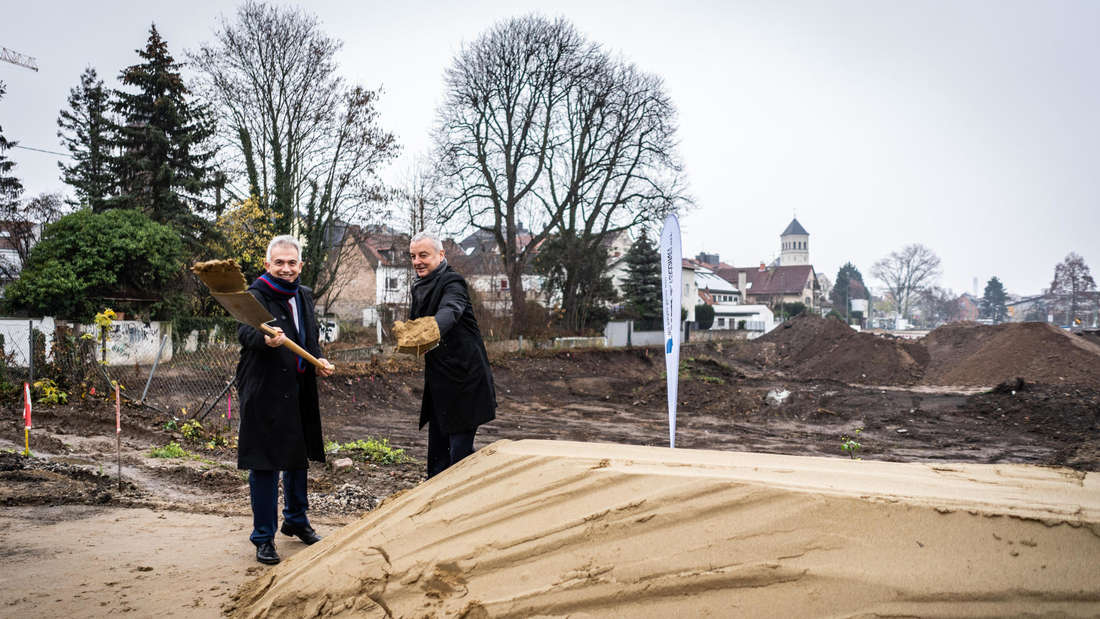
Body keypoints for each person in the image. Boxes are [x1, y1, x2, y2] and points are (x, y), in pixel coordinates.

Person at [236, 234, 334, 565]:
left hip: (298, 386)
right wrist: (266, 338)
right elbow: (245, 333)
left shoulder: (303, 295)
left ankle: (296, 520)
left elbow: (309, 334)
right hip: (263, 388)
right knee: (265, 464)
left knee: (296, 458)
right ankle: (263, 537)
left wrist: (317, 360)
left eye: (292, 262)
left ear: (300, 265)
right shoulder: (255, 295)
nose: (285, 268)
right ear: (267, 264)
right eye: (279, 262)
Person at [407, 231, 496, 478]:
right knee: (437, 458)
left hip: (466, 381)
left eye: (423, 255)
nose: (417, 261)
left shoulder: (452, 282)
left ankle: (471, 507)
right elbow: (415, 323)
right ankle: (436, 510)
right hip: (440, 383)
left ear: (441, 255)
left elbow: (451, 310)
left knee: (460, 457)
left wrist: (430, 330)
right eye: (413, 256)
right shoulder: (420, 286)